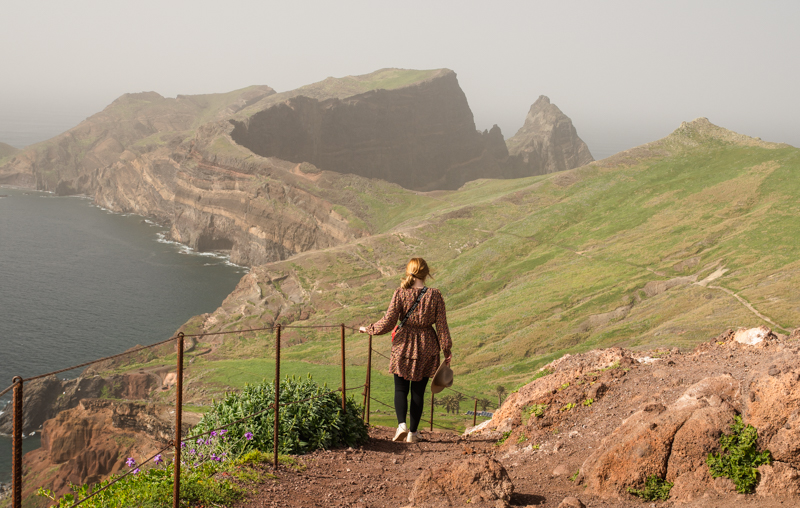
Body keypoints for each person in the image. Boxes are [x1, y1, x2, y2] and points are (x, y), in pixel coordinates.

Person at [359, 257, 452, 443]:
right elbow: (442, 326)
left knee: (400, 388)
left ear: (408, 272)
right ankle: (413, 433)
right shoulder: (435, 295)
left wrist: (369, 329)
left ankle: (401, 425)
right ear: (426, 273)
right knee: (418, 391)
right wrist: (447, 349)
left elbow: (388, 321)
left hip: (403, 344)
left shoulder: (400, 293)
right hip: (427, 344)